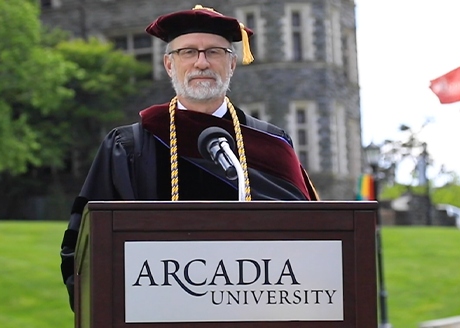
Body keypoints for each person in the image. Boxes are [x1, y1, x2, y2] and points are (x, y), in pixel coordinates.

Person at [59, 4, 320, 311]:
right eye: (187, 52)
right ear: (169, 65)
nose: (201, 63)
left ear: (232, 63)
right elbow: (86, 244)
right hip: (157, 311)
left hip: (256, 310)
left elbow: (310, 235)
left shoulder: (271, 144)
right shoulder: (130, 145)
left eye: (214, 52)